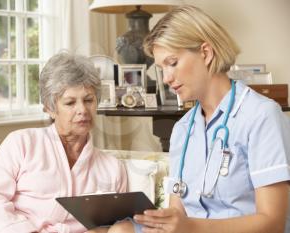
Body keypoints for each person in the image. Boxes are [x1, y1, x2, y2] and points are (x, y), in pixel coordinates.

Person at [113, 5, 290, 233]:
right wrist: (160, 223)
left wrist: (191, 227)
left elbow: (272, 222)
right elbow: (178, 213)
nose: (166, 78)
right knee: (119, 230)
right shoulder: (183, 129)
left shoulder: (261, 115)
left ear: (205, 53)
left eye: (173, 62)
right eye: (161, 68)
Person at [0, 52, 128, 233]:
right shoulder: (22, 143)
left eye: (89, 100)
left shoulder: (112, 169)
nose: (82, 110)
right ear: (50, 108)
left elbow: (116, 224)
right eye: (70, 103)